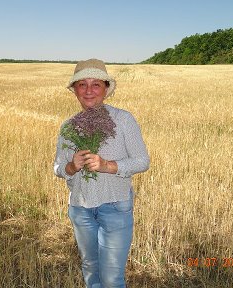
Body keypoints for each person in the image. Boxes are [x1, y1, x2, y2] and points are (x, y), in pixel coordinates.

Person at [54, 58, 150, 288]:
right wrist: (71, 167)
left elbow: (142, 161)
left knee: (111, 278)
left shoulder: (123, 119)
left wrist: (109, 166)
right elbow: (57, 167)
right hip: (80, 208)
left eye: (95, 84)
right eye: (82, 84)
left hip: (115, 207)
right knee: (89, 268)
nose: (88, 91)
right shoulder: (68, 126)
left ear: (106, 89)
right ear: (75, 90)